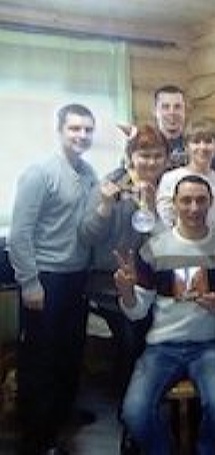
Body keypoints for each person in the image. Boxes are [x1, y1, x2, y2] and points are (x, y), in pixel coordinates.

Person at [113, 175, 215, 455]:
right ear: (174, 204)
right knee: (134, 412)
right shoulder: (154, 249)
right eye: (186, 201)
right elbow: (136, 312)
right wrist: (128, 292)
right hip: (162, 347)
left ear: (211, 203)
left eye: (201, 200)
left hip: (210, 347)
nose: (194, 208)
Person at [8, 103, 100, 455]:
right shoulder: (39, 173)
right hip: (45, 278)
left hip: (77, 278)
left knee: (69, 352)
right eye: (75, 128)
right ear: (60, 130)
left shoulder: (89, 173)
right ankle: (37, 437)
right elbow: (19, 234)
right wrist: (30, 282)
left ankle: (61, 415)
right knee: (40, 359)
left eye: (88, 130)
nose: (82, 135)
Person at [79, 124, 169, 452]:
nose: (150, 161)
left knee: (158, 333)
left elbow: (167, 243)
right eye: (144, 155)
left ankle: (153, 408)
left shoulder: (168, 188)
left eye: (157, 155)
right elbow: (87, 236)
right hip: (107, 282)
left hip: (149, 281)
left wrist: (153, 205)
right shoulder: (110, 184)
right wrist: (105, 206)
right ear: (131, 157)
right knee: (133, 336)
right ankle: (131, 420)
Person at [156, 120, 215, 230]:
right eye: (196, 142)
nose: (203, 147)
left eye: (208, 141)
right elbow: (165, 219)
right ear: (186, 147)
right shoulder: (170, 178)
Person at [152, 85, 187, 168]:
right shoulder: (142, 145)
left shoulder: (197, 146)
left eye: (177, 107)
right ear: (155, 111)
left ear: (184, 110)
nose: (172, 112)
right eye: (165, 107)